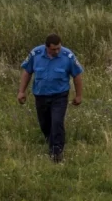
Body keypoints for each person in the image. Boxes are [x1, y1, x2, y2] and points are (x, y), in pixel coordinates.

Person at [17, 33, 84, 163]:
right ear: (46, 47)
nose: (57, 51)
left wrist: (79, 95)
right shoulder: (35, 54)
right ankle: (50, 138)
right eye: (54, 49)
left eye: (59, 48)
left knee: (57, 122)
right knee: (45, 123)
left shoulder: (68, 56)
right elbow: (27, 72)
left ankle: (57, 151)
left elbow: (77, 75)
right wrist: (21, 91)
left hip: (59, 95)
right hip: (41, 95)